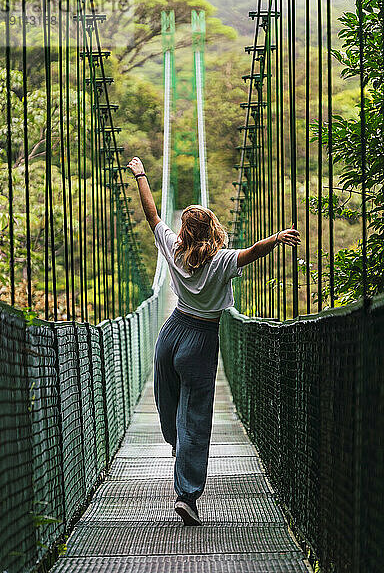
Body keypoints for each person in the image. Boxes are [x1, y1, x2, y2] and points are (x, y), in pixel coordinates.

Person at [127, 156, 301, 526]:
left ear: (185, 232)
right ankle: (187, 494)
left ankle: (177, 444)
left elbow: (152, 215)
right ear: (213, 231)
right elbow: (252, 253)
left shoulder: (173, 250)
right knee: (196, 417)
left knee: (166, 398)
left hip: (170, 334)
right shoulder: (222, 260)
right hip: (201, 340)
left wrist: (141, 175)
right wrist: (277, 237)